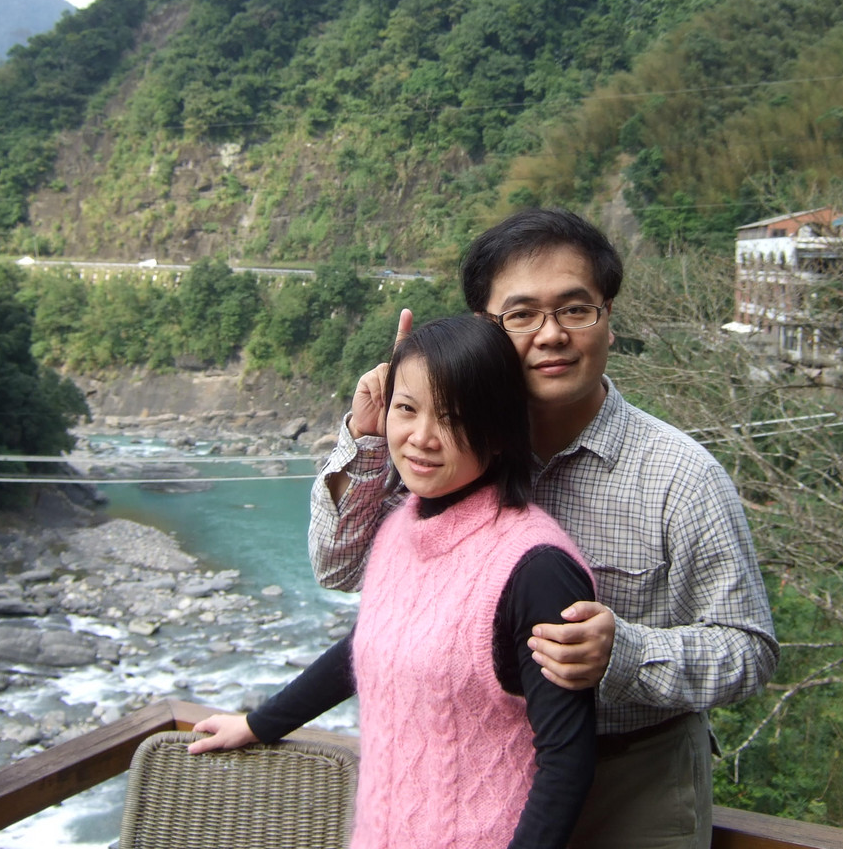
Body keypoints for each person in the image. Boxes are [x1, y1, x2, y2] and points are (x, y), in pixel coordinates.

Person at [310, 208, 779, 848]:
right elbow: (339, 568)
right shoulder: (446, 448)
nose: (551, 334)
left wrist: (624, 654)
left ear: (608, 318)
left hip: (631, 785)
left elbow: (749, 649)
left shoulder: (680, 477)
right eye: (522, 314)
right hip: (473, 786)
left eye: (575, 310)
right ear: (485, 329)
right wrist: (369, 437)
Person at [190, 315, 598, 849]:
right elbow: (370, 642)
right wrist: (257, 724)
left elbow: (566, 759)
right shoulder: (401, 526)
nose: (422, 438)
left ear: (499, 431)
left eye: (453, 417)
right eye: (407, 409)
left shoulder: (535, 568)